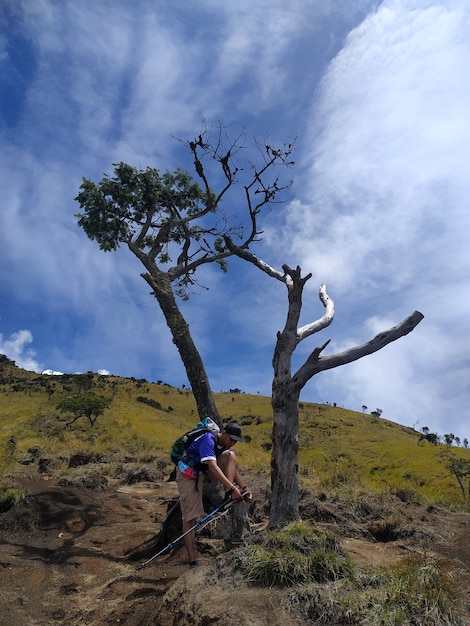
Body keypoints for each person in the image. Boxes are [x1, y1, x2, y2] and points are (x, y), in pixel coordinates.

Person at [176, 421, 252, 567]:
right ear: (223, 433)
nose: (233, 443)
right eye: (231, 439)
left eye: (235, 441)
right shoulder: (207, 439)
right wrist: (231, 487)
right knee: (190, 518)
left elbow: (229, 467)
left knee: (230, 455)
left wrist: (244, 486)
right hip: (187, 474)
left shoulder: (224, 445)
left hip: (201, 472)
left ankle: (227, 495)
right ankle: (193, 561)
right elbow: (212, 466)